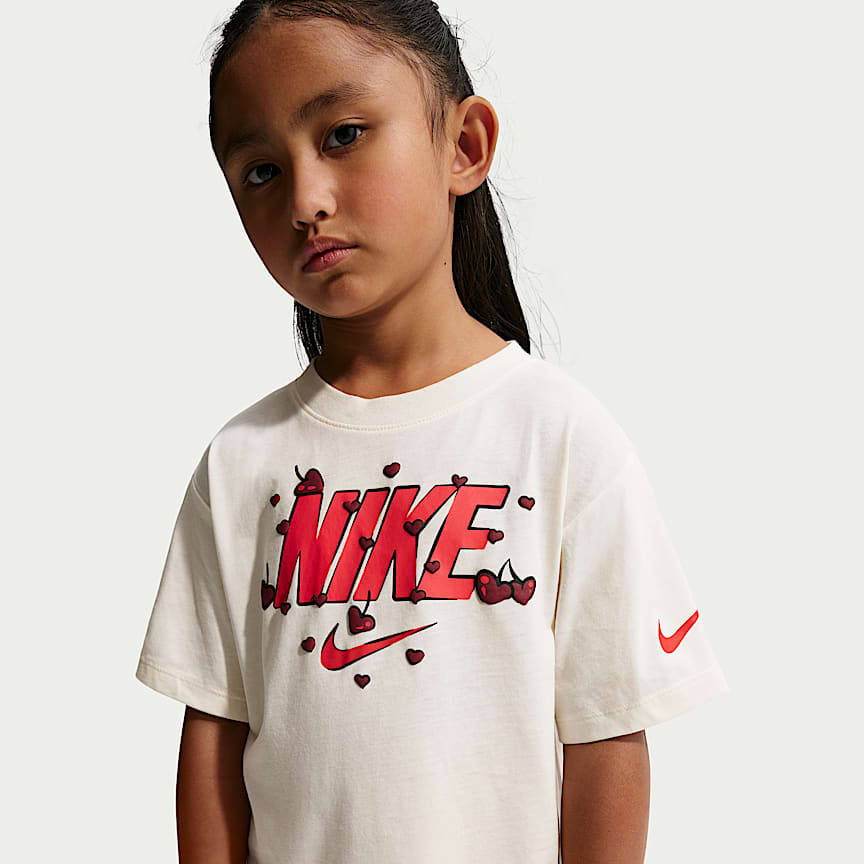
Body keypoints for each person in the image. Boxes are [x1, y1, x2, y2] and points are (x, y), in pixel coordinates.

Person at [135, 2, 731, 863]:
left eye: (343, 135)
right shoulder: (240, 463)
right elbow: (215, 736)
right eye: (260, 170)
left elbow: (605, 734)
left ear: (464, 146)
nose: (305, 199)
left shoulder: (563, 439)